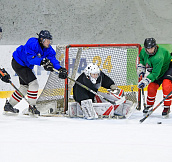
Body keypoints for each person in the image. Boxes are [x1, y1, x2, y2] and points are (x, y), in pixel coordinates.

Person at [1, 30, 67, 115]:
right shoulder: (32, 43)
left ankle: (9, 105)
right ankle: (32, 107)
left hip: (25, 66)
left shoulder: (48, 49)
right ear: (41, 40)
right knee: (34, 83)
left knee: (24, 87)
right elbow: (30, 59)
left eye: (49, 40)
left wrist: (60, 68)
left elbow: (53, 60)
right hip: (18, 62)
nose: (49, 42)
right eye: (47, 40)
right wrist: (42, 61)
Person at [137, 38, 172, 117]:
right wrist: (141, 67)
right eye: (148, 49)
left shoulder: (158, 57)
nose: (150, 51)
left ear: (155, 46)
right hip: (158, 69)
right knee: (152, 87)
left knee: (166, 85)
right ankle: (149, 105)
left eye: (151, 48)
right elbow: (142, 59)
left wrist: (145, 80)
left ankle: (167, 107)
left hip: (168, 68)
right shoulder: (143, 51)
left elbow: (155, 74)